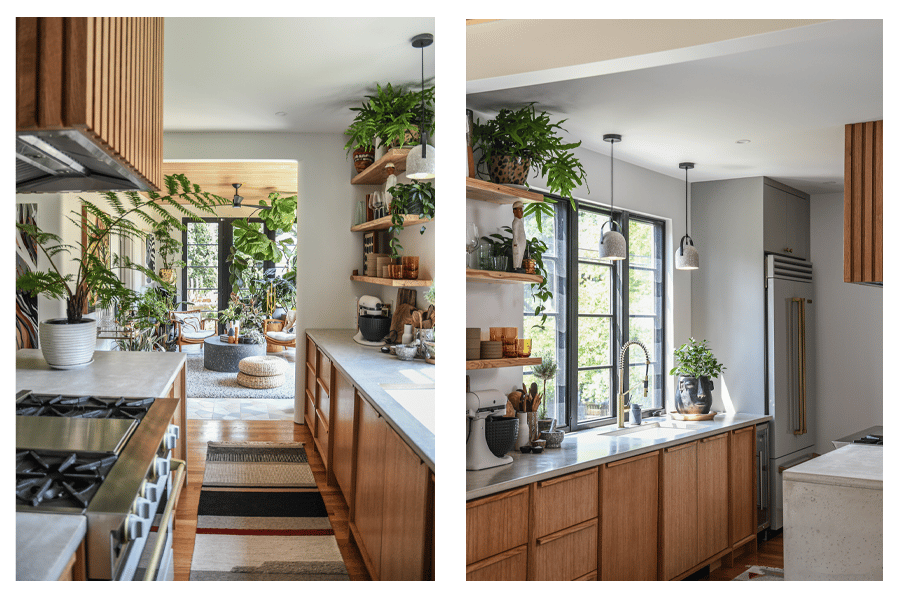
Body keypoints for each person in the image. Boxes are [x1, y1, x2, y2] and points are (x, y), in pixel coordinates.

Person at [511, 200, 526, 272]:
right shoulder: (515, 222)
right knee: (517, 254)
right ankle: (516, 267)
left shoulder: (519, 221)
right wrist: (515, 243)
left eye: (522, 210)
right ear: (514, 211)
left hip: (522, 241)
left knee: (521, 254)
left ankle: (519, 266)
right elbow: (515, 233)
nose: (522, 212)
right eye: (519, 210)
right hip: (518, 242)